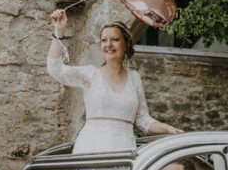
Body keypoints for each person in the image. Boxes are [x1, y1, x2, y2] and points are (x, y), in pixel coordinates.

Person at [47, 9, 182, 154]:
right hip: (91, 148)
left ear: (126, 45)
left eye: (115, 40)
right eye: (104, 40)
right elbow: (55, 69)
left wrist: (167, 128)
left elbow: (143, 120)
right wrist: (59, 30)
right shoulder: (90, 74)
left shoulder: (134, 78)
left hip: (124, 149)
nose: (109, 44)